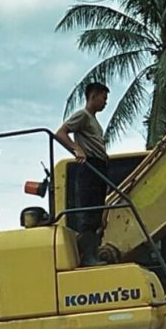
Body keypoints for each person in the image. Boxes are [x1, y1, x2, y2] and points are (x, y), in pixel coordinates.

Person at [55, 82, 110, 266]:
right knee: (89, 214)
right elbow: (61, 133)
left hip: (100, 167)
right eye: (103, 97)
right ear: (93, 96)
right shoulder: (83, 115)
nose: (105, 102)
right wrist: (76, 149)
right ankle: (87, 257)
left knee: (97, 215)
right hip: (90, 167)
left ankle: (92, 253)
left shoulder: (94, 121)